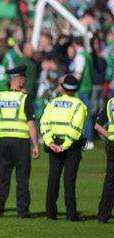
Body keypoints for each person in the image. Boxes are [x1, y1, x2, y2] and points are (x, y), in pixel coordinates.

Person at [0, 65, 40, 218]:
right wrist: (35, 145)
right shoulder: (24, 98)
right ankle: (22, 212)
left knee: (2, 178)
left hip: (3, 142)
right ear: (19, 79)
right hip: (21, 143)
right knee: (22, 179)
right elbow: (31, 124)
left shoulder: (0, 97)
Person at [40, 75, 87, 221]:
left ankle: (50, 213)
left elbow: (44, 123)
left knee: (53, 179)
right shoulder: (79, 105)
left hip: (54, 144)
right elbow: (76, 128)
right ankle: (71, 214)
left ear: (62, 87)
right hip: (72, 147)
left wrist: (49, 142)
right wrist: (66, 145)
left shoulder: (52, 103)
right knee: (69, 180)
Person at [95, 95, 114, 223]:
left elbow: (97, 126)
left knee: (110, 180)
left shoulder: (111, 102)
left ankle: (103, 215)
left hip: (112, 144)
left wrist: (110, 136)